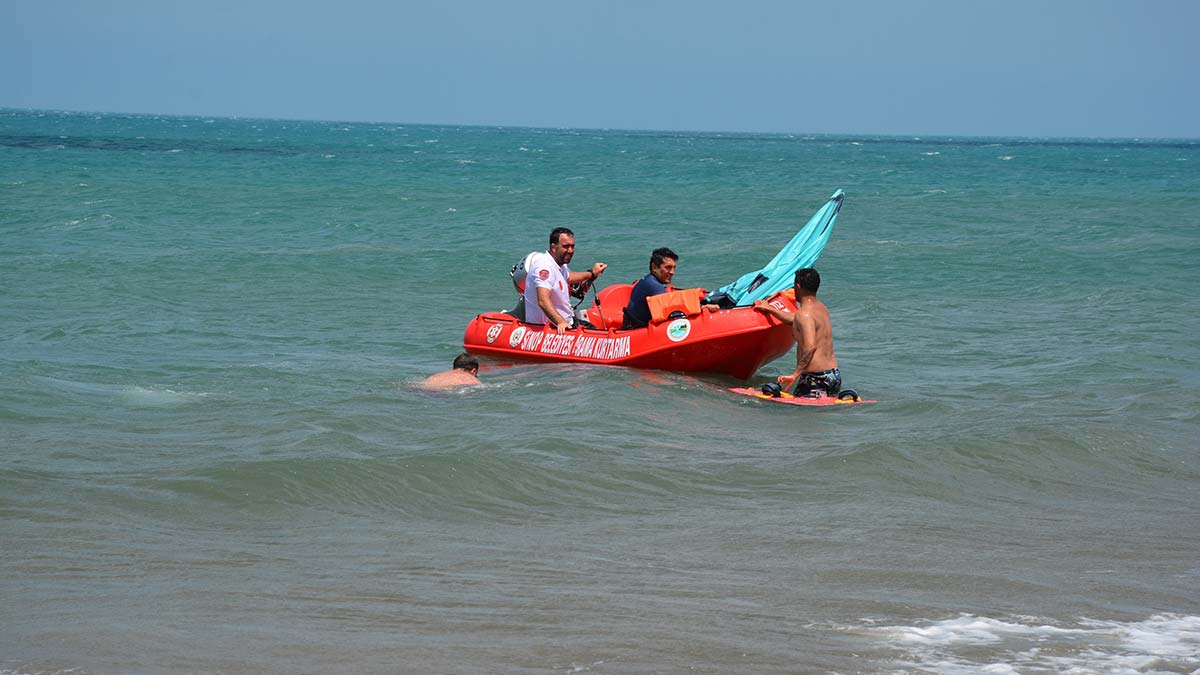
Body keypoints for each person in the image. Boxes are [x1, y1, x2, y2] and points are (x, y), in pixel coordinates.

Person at [753, 268, 841, 397]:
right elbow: (796, 320)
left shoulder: (804, 314)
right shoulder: (821, 308)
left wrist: (795, 374)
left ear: (798, 287)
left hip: (816, 378)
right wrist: (770, 309)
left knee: (802, 416)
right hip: (833, 375)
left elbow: (810, 347)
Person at [523, 227, 607, 334]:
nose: (571, 250)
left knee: (597, 333)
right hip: (549, 327)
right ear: (553, 247)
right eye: (566, 247)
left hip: (568, 322)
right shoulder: (544, 267)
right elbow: (543, 301)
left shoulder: (560, 264)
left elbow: (570, 277)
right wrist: (561, 322)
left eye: (572, 246)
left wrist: (592, 273)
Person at [622, 248, 717, 329]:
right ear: (654, 267)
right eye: (668, 267)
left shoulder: (647, 280)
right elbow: (672, 311)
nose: (672, 272)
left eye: (674, 268)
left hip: (630, 326)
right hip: (635, 332)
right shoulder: (654, 286)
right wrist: (701, 308)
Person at [416, 352, 481, 389]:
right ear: (474, 371)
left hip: (417, 389)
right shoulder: (471, 380)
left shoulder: (439, 375)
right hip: (440, 394)